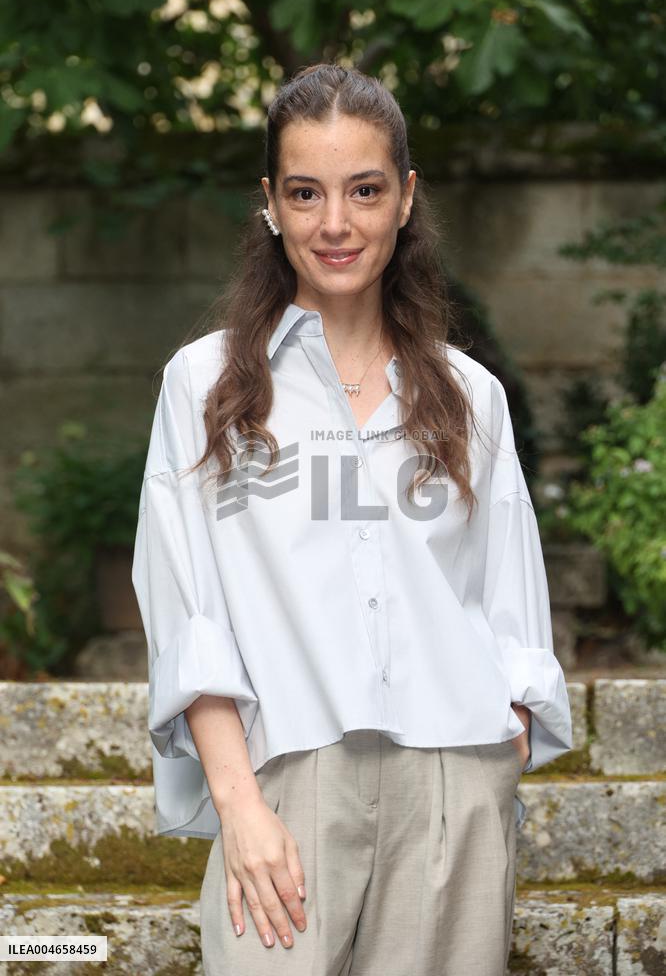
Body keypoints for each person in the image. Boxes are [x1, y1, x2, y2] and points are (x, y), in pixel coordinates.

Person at [131, 62, 573, 976]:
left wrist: (492, 767)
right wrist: (241, 807)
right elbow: (189, 612)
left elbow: (510, 601)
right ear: (271, 203)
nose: (336, 224)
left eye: (364, 190)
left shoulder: (472, 398)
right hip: (288, 778)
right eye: (306, 193)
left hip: (452, 781)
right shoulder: (203, 385)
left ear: (405, 198)